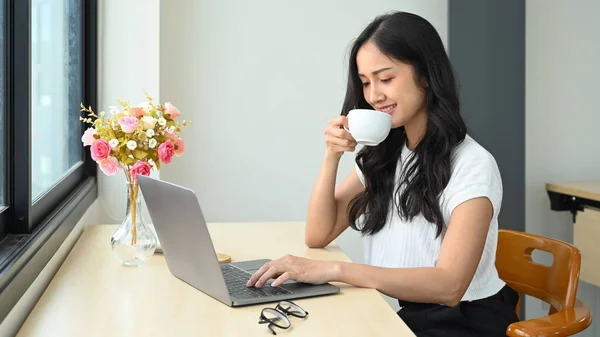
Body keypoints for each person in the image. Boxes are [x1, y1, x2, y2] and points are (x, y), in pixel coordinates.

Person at [246, 11, 519, 336]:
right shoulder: (388, 152)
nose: (374, 95)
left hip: (463, 322)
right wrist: (331, 155)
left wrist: (334, 270)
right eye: (365, 83)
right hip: (406, 313)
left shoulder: (472, 164)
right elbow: (318, 234)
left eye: (385, 78)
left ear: (426, 74)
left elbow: (449, 286)